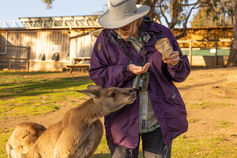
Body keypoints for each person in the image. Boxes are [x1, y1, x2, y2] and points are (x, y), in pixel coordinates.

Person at [89, 0, 190, 157]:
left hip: (157, 119)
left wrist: (175, 63)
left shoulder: (161, 33)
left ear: (136, 19)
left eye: (124, 27)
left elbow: (182, 73)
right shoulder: (105, 38)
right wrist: (125, 70)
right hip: (121, 121)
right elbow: (97, 74)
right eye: (115, 27)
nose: (119, 32)